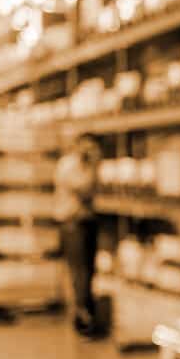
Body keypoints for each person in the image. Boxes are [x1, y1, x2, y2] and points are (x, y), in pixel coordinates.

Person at [55, 132, 103, 337]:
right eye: (88, 146)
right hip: (72, 224)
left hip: (87, 222)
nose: (90, 150)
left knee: (89, 271)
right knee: (79, 272)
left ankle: (86, 315)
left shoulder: (88, 166)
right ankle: (82, 318)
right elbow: (85, 189)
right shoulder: (69, 165)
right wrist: (93, 167)